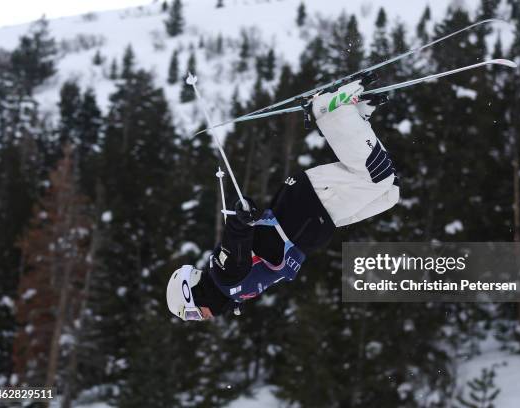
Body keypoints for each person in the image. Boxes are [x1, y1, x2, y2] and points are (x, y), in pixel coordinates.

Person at [166, 81, 400, 321]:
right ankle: (355, 117)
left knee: (378, 177)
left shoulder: (224, 275)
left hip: (307, 205)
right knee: (389, 192)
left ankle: (330, 112)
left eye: (193, 313)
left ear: (193, 291)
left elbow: (235, 242)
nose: (202, 318)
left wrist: (241, 221)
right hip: (317, 220)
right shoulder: (234, 292)